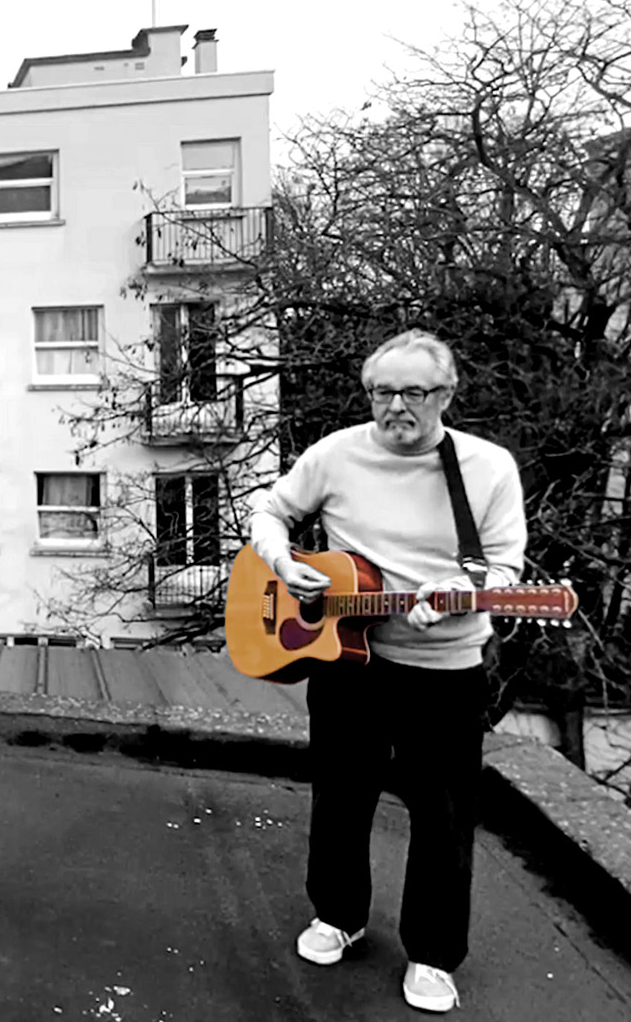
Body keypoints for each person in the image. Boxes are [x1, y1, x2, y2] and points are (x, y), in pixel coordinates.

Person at [248, 329, 527, 1014]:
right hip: (348, 664)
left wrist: (461, 593)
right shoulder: (338, 453)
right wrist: (285, 566)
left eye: (414, 391)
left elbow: (506, 568)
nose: (395, 405)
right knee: (341, 794)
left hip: (444, 669)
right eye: (382, 391)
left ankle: (432, 955)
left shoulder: (486, 469)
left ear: (446, 395)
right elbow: (271, 512)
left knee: (443, 815)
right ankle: (338, 915)